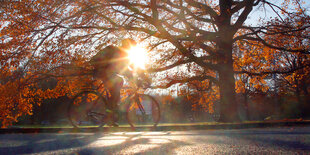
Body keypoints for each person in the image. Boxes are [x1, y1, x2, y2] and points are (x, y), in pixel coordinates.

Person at [90, 39, 137, 127]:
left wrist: (135, 76)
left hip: (106, 72)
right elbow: (123, 68)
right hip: (103, 72)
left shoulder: (122, 53)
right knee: (118, 86)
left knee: (116, 92)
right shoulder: (119, 52)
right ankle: (109, 115)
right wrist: (132, 78)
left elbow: (129, 67)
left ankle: (110, 116)